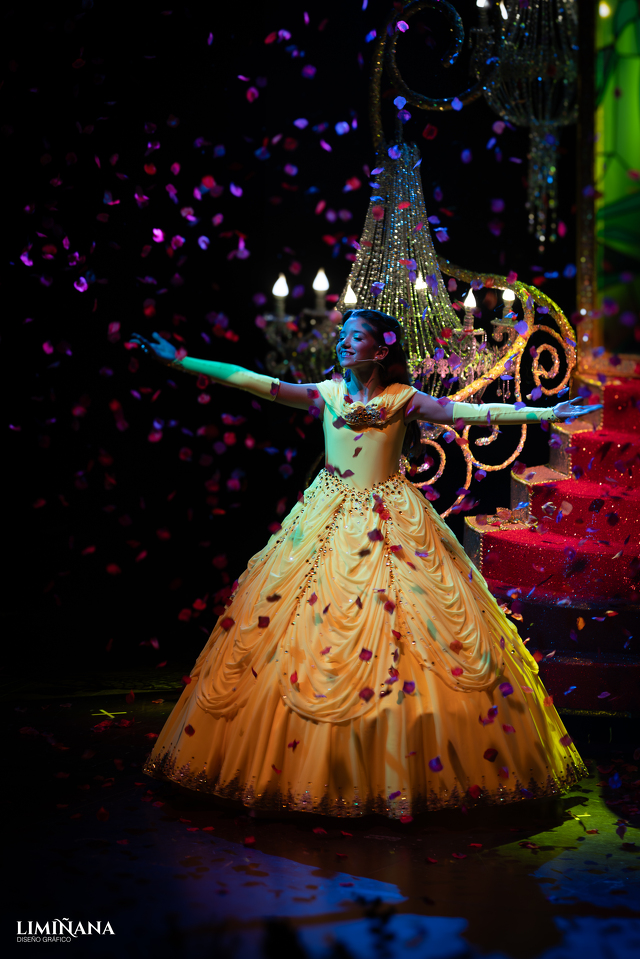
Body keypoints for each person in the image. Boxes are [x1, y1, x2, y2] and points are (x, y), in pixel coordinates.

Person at [132, 309, 601, 818]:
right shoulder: (327, 393)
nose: (343, 343)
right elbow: (252, 381)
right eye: (342, 336)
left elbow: (474, 412)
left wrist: (545, 414)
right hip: (326, 517)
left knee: (411, 630)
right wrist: (181, 361)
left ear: (380, 351)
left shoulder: (403, 399)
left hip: (390, 517)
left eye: (354, 337)